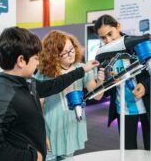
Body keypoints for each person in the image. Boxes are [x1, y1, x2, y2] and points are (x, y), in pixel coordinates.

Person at [0, 27, 99, 161]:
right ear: (21, 60)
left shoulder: (26, 83)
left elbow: (53, 85)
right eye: (36, 58)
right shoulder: (3, 98)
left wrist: (82, 70)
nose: (38, 62)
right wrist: (32, 157)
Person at [94, 14, 151, 150]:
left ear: (118, 27)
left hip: (148, 107)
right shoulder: (104, 55)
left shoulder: (138, 44)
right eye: (103, 37)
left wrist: (145, 86)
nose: (108, 40)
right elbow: (106, 91)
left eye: (110, 34)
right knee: (128, 152)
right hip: (124, 109)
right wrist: (111, 81)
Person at [35, 30, 104, 161]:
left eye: (71, 49)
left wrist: (100, 82)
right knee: (49, 157)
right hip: (50, 125)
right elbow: (38, 106)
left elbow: (97, 96)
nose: (70, 54)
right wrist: (41, 133)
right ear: (54, 55)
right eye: (65, 52)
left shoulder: (83, 68)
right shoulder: (43, 74)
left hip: (72, 122)